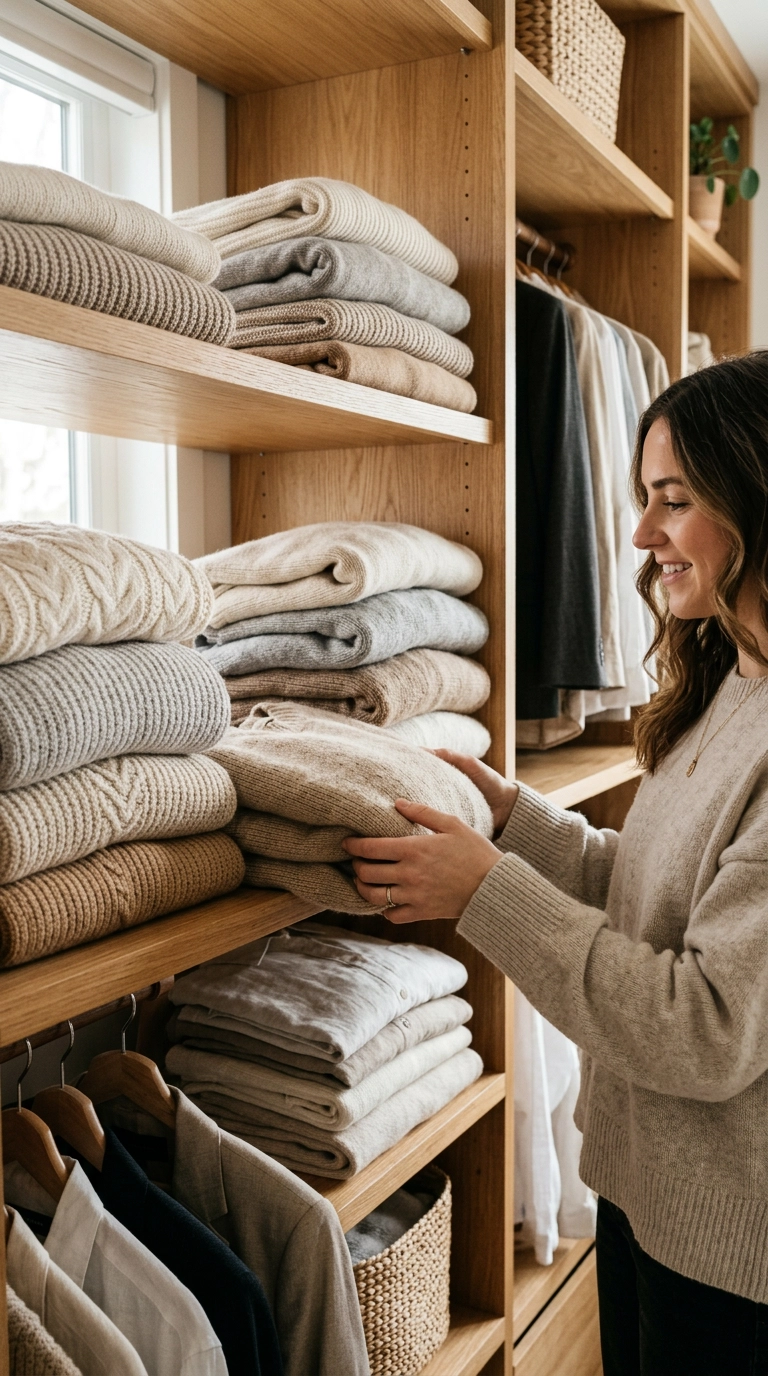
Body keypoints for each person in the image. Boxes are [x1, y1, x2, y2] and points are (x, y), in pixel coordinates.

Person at [343, 352, 768, 1375]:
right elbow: (671, 891)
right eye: (642, 499)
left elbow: (706, 1024)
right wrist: (513, 820)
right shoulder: (735, 682)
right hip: (649, 1194)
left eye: (673, 500)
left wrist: (487, 891)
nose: (639, 533)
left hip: (731, 1254)